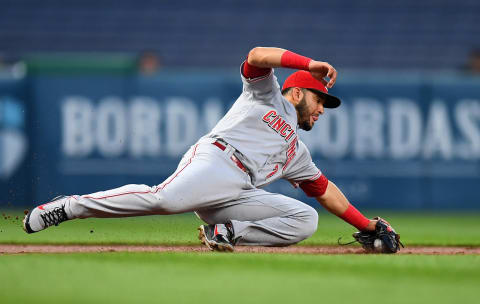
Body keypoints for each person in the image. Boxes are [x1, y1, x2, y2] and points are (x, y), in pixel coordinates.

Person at [23, 47, 397, 252]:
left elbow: (327, 193)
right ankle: (68, 207)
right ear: (297, 92)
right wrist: (308, 63)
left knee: (306, 220)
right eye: (320, 101)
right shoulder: (267, 95)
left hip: (237, 192)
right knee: (163, 200)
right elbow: (255, 55)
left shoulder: (298, 153)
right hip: (217, 161)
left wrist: (369, 226)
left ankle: (226, 231)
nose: (321, 109)